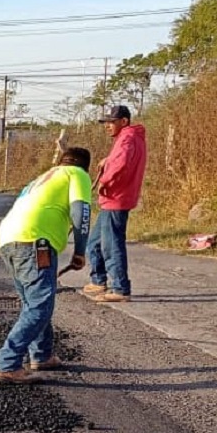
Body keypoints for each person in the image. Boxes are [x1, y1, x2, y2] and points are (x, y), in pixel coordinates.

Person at [0, 147, 93, 384]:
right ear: (84, 166)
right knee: (39, 308)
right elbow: (82, 212)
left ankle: (42, 354)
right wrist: (80, 251)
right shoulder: (77, 174)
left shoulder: (43, 178)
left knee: (34, 303)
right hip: (35, 243)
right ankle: (7, 364)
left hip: (8, 239)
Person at [83, 105, 148, 303]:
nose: (107, 126)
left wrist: (104, 181)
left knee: (111, 245)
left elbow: (121, 165)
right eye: (106, 122)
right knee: (94, 242)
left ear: (124, 121)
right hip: (113, 199)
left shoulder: (127, 138)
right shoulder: (130, 138)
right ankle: (99, 280)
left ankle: (120, 288)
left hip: (117, 198)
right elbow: (118, 160)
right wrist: (107, 160)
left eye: (111, 122)